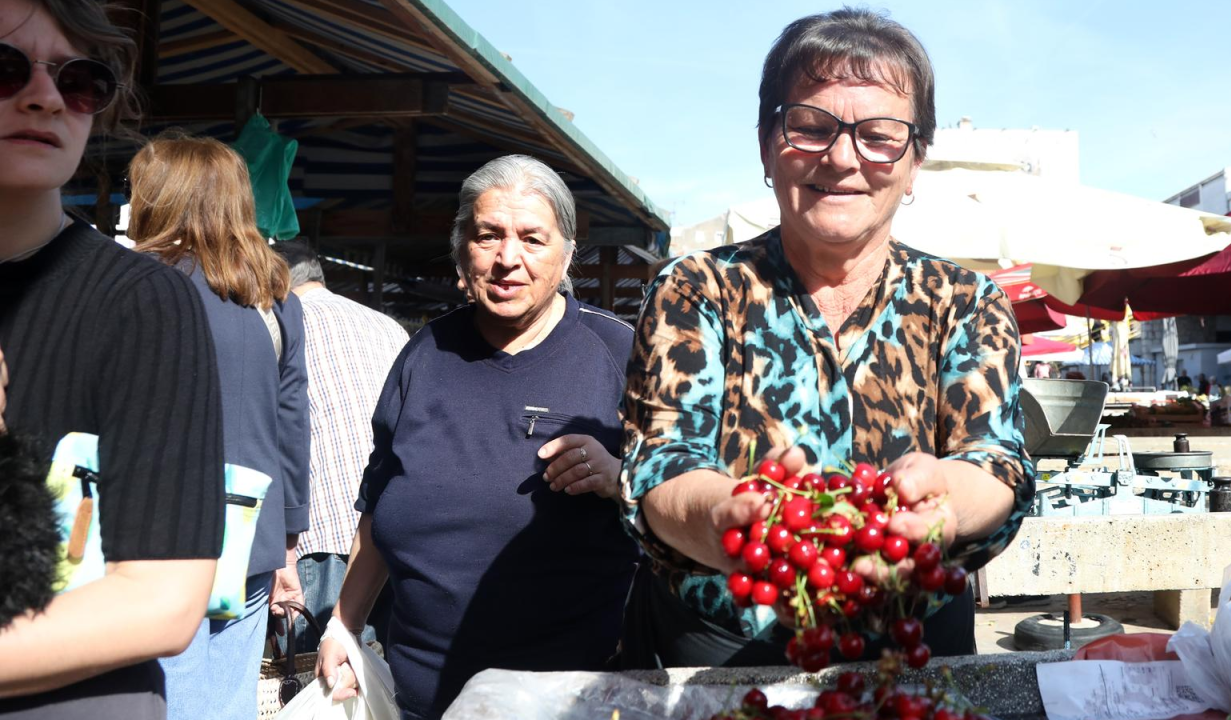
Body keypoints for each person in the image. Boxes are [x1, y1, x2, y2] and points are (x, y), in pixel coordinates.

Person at [617, 7, 1034, 669]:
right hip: (727, 651)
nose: (841, 158)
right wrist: (731, 516)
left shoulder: (966, 301)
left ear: (916, 158)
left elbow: (997, 462)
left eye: (879, 135)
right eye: (809, 126)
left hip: (914, 642)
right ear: (765, 145)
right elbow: (661, 468)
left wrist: (943, 503)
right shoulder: (695, 289)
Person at [316, 155, 640, 719]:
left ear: (566, 252)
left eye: (532, 239)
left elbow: (681, 498)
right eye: (488, 236)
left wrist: (621, 478)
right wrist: (345, 623)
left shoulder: (617, 354)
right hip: (422, 697)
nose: (507, 259)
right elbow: (379, 500)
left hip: (568, 699)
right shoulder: (424, 354)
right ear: (461, 248)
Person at [0, 2, 226, 717]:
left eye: (80, 81)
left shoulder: (141, 303)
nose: (44, 97)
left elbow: (161, 600)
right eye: (4, 68)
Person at [127, 136, 310, 720]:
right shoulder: (273, 298)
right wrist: (287, 542)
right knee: (227, 702)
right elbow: (291, 428)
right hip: (249, 532)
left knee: (162, 695)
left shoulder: (132, 287)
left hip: (150, 535)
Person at [272, 240, 409, 652]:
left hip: (321, 537)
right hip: (391, 530)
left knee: (323, 683)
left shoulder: (280, 326)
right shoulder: (387, 326)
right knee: (380, 681)